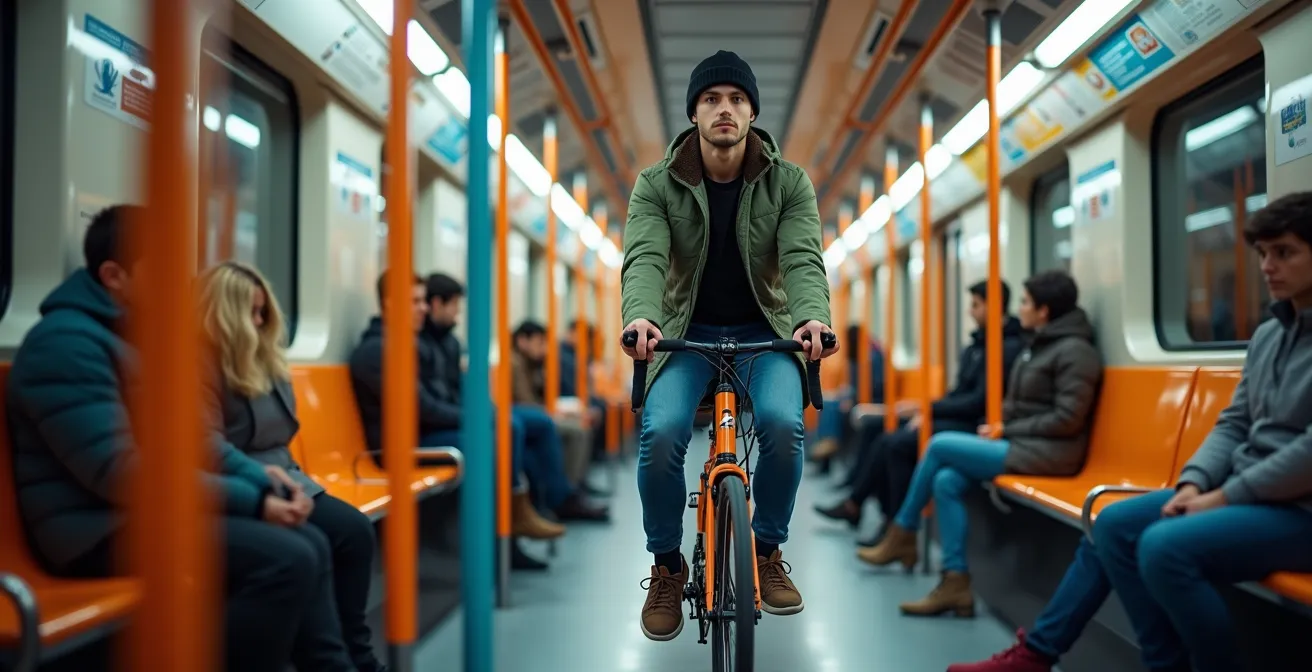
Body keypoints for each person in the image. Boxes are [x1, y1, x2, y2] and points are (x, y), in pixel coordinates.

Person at [948, 192, 1312, 672]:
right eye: (1263, 254)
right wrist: (1194, 482)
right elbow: (1236, 421)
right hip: (1245, 492)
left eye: (1284, 252)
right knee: (1112, 524)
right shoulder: (1270, 335)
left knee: (1164, 548)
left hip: (1296, 506)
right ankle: (1053, 654)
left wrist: (1224, 497)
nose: (1268, 266)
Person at [6, 205, 351, 672]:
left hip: (140, 511)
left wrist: (261, 477)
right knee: (285, 558)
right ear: (114, 275)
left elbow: (190, 441)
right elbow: (117, 473)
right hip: (93, 528)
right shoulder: (66, 344)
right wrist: (251, 502)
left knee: (309, 541)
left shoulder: (135, 341)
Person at [619, 49, 838, 641]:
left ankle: (766, 550)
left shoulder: (787, 182)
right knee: (661, 433)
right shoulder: (657, 185)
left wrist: (812, 320)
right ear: (694, 113)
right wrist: (641, 318)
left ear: (751, 115)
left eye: (737, 100)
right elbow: (645, 259)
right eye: (712, 99)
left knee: (781, 424)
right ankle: (666, 565)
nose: (725, 109)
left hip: (768, 334)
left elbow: (801, 261)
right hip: (682, 335)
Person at [858, 270, 1102, 618]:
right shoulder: (1041, 345)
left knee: (940, 444)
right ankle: (956, 582)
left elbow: (1068, 419)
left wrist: (1006, 428)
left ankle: (903, 530)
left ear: (1044, 311)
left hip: (1051, 454)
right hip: (1026, 444)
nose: (1020, 309)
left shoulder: (1074, 352)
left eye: (1026, 302)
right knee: (945, 481)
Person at [198, 260, 388, 672]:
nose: (260, 321)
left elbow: (282, 436)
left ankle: (355, 650)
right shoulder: (200, 365)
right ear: (224, 315)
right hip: (244, 481)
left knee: (352, 532)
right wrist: (265, 486)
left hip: (285, 475)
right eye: (251, 312)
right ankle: (329, 656)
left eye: (263, 311)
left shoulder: (265, 360)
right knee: (315, 541)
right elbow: (205, 445)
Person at [350, 271, 565, 541]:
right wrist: (474, 418)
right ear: (391, 303)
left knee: (507, 432)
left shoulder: (411, 345)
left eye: (424, 301)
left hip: (425, 434)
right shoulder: (380, 351)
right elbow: (423, 408)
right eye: (416, 301)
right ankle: (502, 532)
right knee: (491, 439)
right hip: (401, 445)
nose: (424, 308)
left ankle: (516, 521)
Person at [816, 280, 1024, 547]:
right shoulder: (977, 346)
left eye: (976, 305)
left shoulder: (1004, 349)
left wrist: (928, 410)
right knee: (881, 434)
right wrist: (928, 410)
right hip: (958, 417)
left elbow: (979, 402)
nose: (970, 312)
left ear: (994, 306)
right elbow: (959, 393)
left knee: (896, 444)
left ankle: (892, 526)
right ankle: (866, 509)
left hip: (979, 425)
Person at [423, 274, 608, 523]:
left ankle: (551, 500)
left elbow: (462, 392)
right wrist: (478, 416)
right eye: (454, 305)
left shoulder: (449, 345)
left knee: (528, 435)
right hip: (445, 426)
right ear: (437, 304)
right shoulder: (511, 362)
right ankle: (520, 516)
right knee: (514, 429)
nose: (458, 313)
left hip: (464, 416)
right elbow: (427, 405)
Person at [510, 320, 594, 490]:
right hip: (524, 414)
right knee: (575, 429)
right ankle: (566, 490)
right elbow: (526, 401)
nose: (544, 349)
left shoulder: (532, 364)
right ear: (522, 341)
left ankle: (572, 486)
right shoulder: (514, 364)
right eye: (539, 343)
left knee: (581, 426)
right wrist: (554, 413)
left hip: (535, 412)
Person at [809, 324, 885, 463]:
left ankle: (830, 444)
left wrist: (852, 396)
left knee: (837, 407)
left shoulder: (873, 357)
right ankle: (828, 443)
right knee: (826, 401)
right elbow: (856, 383)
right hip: (857, 395)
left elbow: (875, 386)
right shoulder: (860, 354)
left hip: (870, 399)